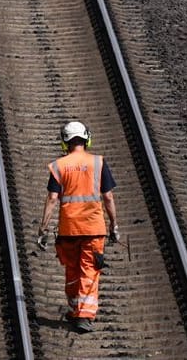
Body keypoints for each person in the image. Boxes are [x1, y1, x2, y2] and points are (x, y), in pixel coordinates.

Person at [38, 120, 118, 332]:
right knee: (89, 270)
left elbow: (52, 199)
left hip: (69, 230)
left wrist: (43, 228)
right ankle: (84, 315)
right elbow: (108, 197)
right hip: (94, 229)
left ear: (65, 142)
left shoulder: (59, 166)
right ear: (87, 139)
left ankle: (74, 310)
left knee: (72, 271)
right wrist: (114, 225)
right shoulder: (98, 163)